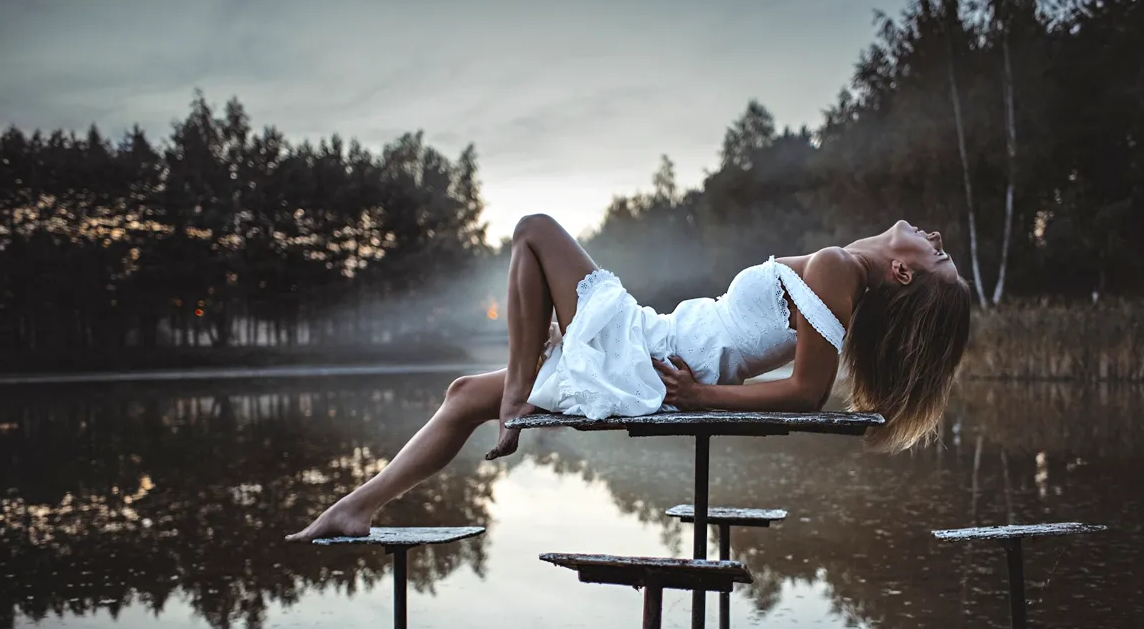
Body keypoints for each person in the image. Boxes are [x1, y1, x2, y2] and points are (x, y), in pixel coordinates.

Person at [286, 214, 971, 541]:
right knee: (464, 396)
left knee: (533, 230)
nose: (937, 240)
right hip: (653, 345)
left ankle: (520, 395)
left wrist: (700, 396)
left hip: (652, 355)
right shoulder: (839, 273)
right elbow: (803, 382)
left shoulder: (836, 268)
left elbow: (806, 393)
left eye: (938, 258)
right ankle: (357, 508)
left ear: (902, 272)